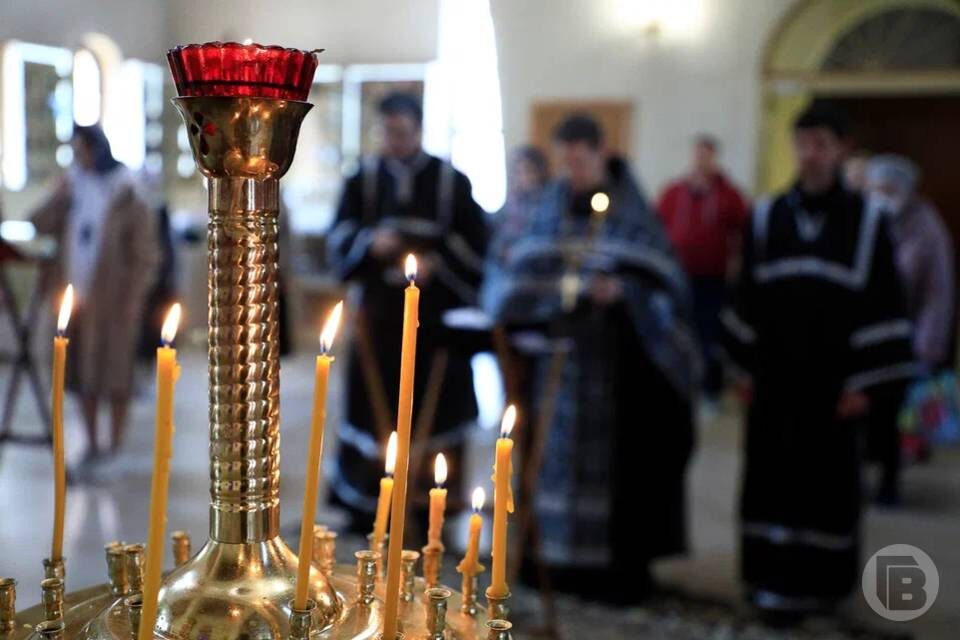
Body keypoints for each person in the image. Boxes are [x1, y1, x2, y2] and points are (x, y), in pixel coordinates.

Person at [485, 113, 698, 603]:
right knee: (551, 464)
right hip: (555, 369)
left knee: (619, 473)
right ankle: (553, 563)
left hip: (622, 373)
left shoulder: (633, 214)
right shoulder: (549, 208)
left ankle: (616, 571)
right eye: (566, 160)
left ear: (602, 153)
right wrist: (569, 291)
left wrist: (624, 292)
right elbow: (514, 281)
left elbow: (667, 290)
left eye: (582, 159)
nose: (573, 169)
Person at [722, 102, 916, 615]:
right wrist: (742, 368)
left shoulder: (868, 220)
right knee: (769, 476)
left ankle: (822, 585)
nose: (810, 155)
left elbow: (885, 300)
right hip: (774, 379)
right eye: (802, 143)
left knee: (824, 483)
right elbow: (746, 297)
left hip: (833, 383)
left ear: (841, 149)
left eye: (821, 145)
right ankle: (766, 578)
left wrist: (863, 383)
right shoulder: (766, 215)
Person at [327, 92, 489, 533]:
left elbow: (476, 244)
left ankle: (430, 500)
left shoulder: (449, 180)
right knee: (372, 404)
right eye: (387, 132)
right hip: (377, 319)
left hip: (436, 320)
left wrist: (440, 261)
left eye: (403, 132)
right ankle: (367, 502)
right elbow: (339, 235)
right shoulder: (362, 178)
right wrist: (369, 243)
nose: (394, 140)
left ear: (418, 130)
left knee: (436, 403)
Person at [31, 124, 160, 463]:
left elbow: (144, 254)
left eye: (81, 150)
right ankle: (91, 442)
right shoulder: (72, 186)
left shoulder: (126, 190)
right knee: (82, 375)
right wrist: (58, 196)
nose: (78, 158)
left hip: (113, 302)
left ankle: (114, 446)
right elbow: (38, 223)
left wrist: (133, 297)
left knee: (115, 375)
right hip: (77, 298)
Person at [865, 154, 955, 500]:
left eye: (888, 189)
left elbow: (938, 294)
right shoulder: (864, 222)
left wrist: (928, 348)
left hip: (906, 341)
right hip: (866, 340)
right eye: (876, 189)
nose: (881, 196)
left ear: (906, 191)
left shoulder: (927, 228)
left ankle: (890, 482)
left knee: (895, 417)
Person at [657, 135, 748, 404]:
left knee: (710, 334)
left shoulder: (729, 195)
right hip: (679, 276)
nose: (700, 160)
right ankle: (678, 383)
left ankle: (710, 390)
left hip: (714, 278)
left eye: (706, 155)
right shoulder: (674, 192)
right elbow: (658, 226)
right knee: (677, 331)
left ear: (714, 158)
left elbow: (743, 231)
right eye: (697, 155)